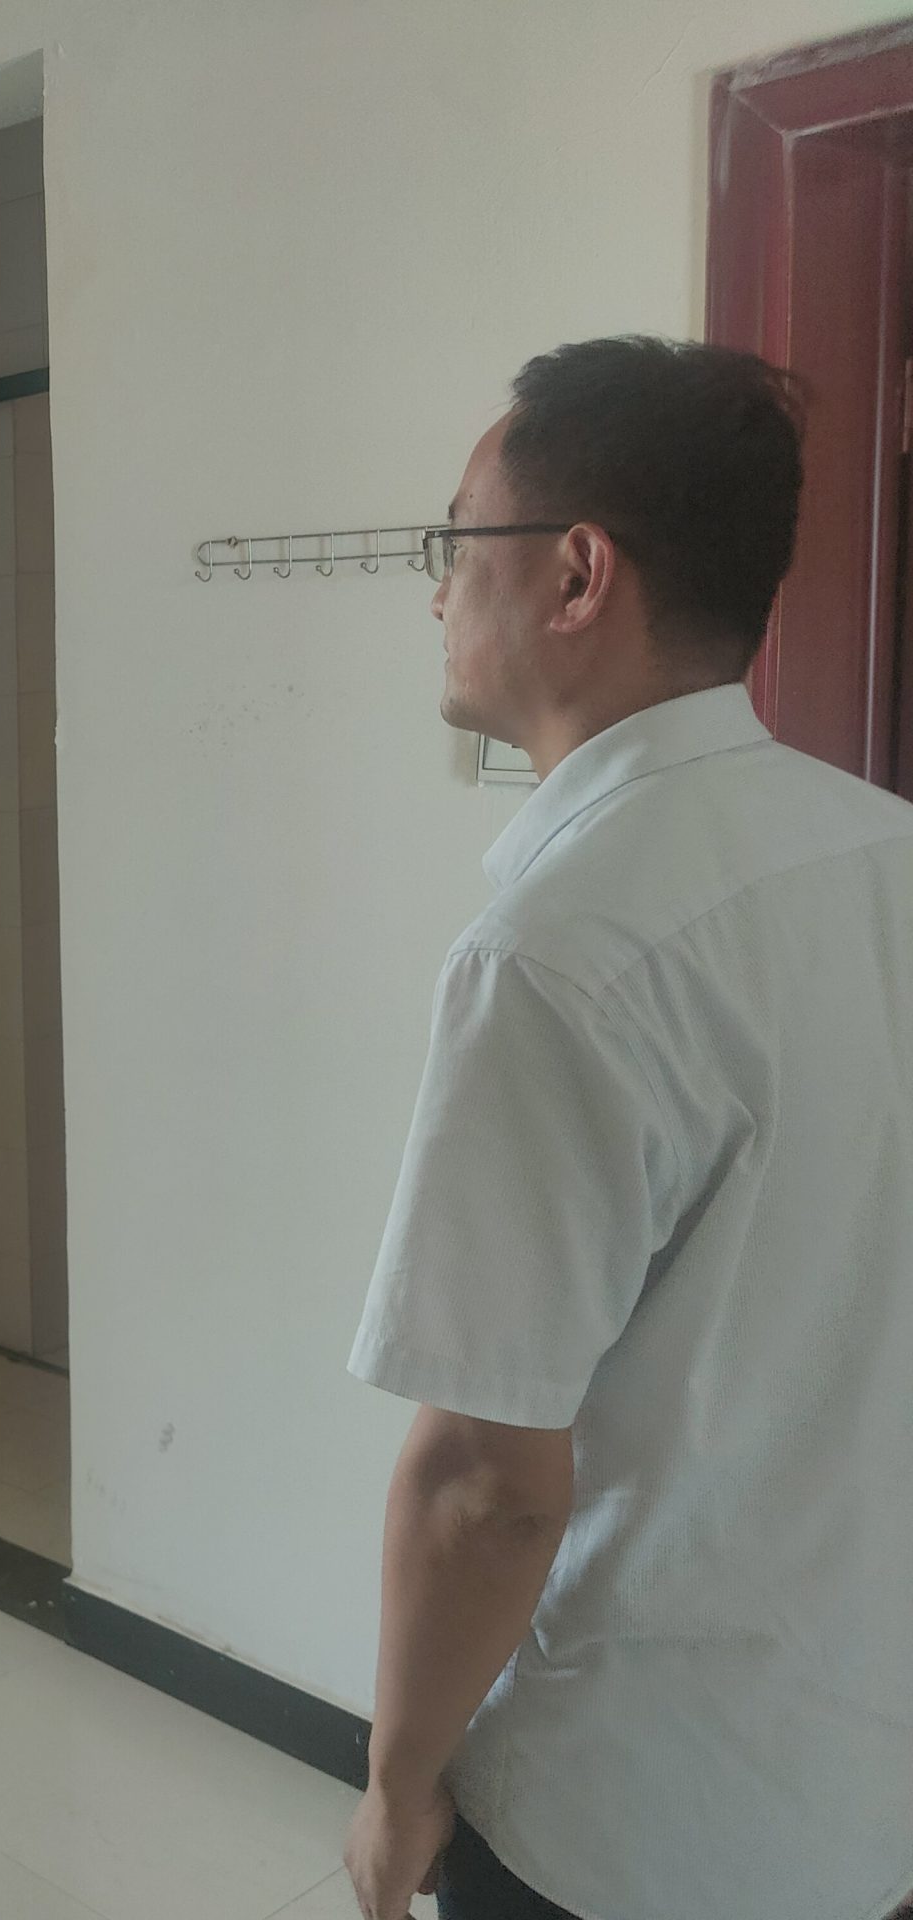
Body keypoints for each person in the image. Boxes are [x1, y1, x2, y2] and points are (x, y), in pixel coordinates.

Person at [342, 338, 913, 1920]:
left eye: (457, 541)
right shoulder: (888, 853)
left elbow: (487, 1484)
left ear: (576, 574)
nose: (436, 593)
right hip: (867, 1784)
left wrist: (396, 1786)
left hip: (631, 1821)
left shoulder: (556, 950)